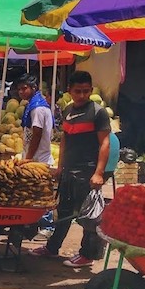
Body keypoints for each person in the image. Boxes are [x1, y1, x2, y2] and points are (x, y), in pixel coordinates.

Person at [30, 70, 111, 268]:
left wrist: (99, 173)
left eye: (85, 91)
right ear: (70, 91)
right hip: (69, 170)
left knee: (88, 216)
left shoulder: (98, 112)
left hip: (88, 171)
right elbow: (65, 140)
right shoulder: (67, 111)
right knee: (63, 212)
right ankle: (52, 248)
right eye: (78, 91)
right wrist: (60, 167)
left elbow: (105, 143)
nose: (82, 95)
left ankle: (87, 255)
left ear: (91, 90)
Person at [17, 74, 55, 240]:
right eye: (19, 89)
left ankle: (47, 227)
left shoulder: (38, 108)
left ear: (34, 88)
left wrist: (29, 158)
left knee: (42, 193)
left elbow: (37, 133)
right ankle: (34, 225)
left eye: (24, 88)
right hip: (36, 157)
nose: (21, 92)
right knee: (34, 194)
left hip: (39, 159)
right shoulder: (34, 105)